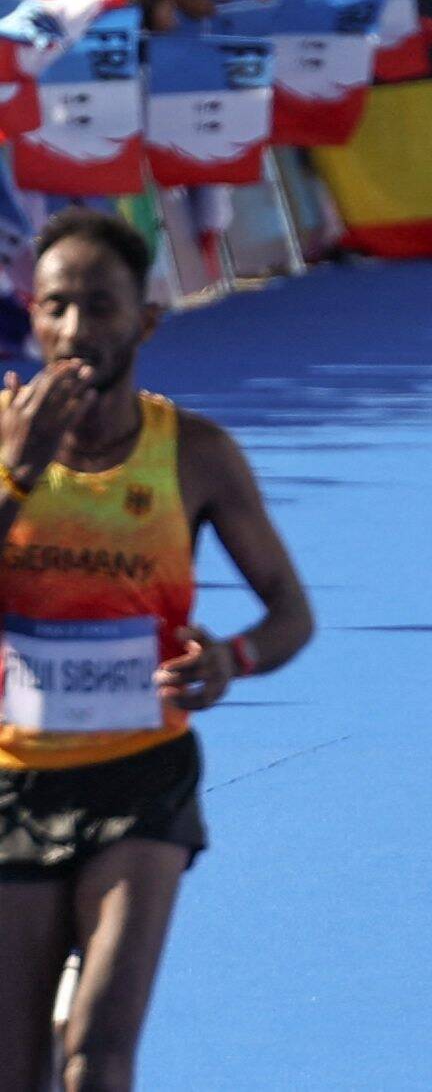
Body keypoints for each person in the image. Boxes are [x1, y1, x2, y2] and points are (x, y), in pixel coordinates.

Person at [0, 209, 314, 1089]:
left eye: (99, 306)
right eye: (56, 306)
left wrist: (231, 660)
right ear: (31, 315)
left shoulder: (197, 455)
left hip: (142, 776)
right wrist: (18, 477)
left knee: (96, 1054)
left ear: (144, 319)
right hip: (11, 780)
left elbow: (290, 610)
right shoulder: (1, 442)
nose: (74, 331)